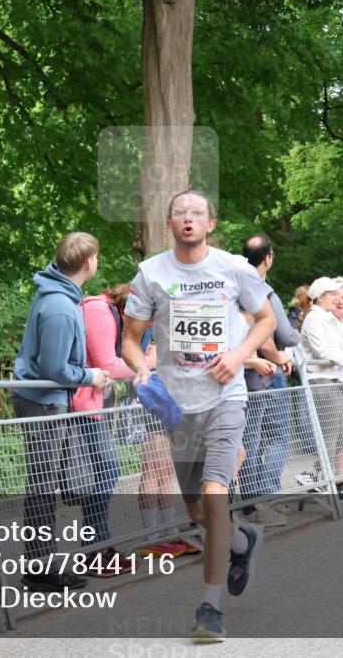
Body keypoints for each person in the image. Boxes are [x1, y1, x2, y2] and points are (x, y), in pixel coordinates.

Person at [121, 189, 275, 643]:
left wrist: (240, 353)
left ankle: (209, 608)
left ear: (210, 223)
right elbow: (130, 338)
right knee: (195, 508)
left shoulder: (233, 268)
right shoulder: (151, 273)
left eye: (196, 213)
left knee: (213, 495)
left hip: (225, 396)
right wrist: (142, 367)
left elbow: (265, 319)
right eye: (179, 214)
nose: (188, 219)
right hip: (176, 404)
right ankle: (241, 542)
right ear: (169, 224)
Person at [12, 232, 110, 592]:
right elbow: (55, 367)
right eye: (96, 257)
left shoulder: (61, 297)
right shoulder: (61, 307)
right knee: (41, 487)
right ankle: (41, 569)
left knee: (50, 484)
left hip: (49, 399)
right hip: (43, 401)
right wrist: (91, 375)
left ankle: (43, 563)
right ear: (88, 263)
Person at [70, 283, 155, 574]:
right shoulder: (98, 311)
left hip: (98, 403)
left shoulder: (111, 313)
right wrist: (148, 363)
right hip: (84, 404)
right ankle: (93, 550)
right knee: (106, 470)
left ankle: (100, 545)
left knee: (105, 472)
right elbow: (108, 364)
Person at [237, 234, 297, 528]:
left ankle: (251, 503)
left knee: (246, 440)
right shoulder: (264, 293)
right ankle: (260, 501)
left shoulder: (232, 289)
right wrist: (282, 356)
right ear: (268, 258)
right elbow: (281, 335)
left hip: (238, 375)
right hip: (261, 375)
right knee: (269, 436)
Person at [299, 277, 343, 497]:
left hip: (331, 379)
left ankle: (318, 475)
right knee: (330, 433)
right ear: (320, 297)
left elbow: (339, 348)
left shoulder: (327, 319)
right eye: (331, 294)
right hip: (319, 380)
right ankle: (316, 476)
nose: (337, 298)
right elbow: (323, 352)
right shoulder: (314, 319)